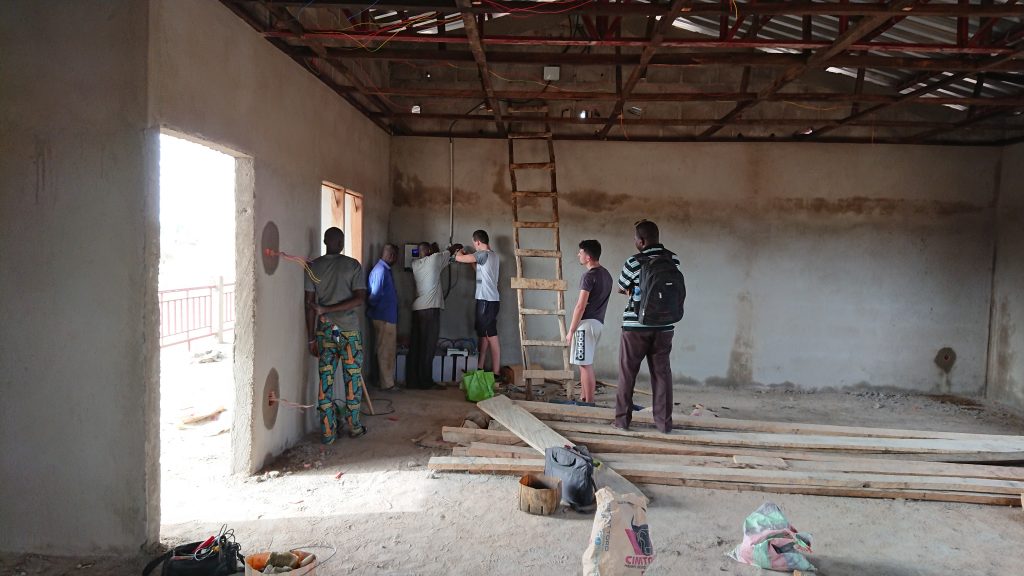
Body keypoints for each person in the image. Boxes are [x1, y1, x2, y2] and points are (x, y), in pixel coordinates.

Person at [613, 220, 682, 434]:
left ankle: (622, 421)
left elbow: (621, 286)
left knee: (627, 373)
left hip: (636, 326)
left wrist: (632, 290)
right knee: (662, 374)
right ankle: (664, 424)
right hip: (665, 326)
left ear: (641, 241)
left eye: (636, 239)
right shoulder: (673, 259)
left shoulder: (634, 262)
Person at [304, 227, 367, 444]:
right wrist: (331, 309)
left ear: (324, 242)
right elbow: (359, 299)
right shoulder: (352, 265)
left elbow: (309, 305)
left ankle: (328, 432)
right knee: (352, 381)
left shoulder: (313, 267)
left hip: (326, 333)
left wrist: (311, 337)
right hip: (348, 333)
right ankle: (354, 427)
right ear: (341, 243)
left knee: (326, 382)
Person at [407, 242, 461, 389]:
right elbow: (451, 249)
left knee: (416, 347)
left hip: (417, 309)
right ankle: (426, 382)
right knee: (428, 347)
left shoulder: (415, 264)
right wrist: (456, 246)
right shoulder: (435, 259)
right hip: (429, 310)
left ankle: (412, 381)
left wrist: (434, 250)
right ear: (430, 250)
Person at [566, 239, 613, 403]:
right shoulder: (606, 275)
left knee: (585, 365)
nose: (578, 255)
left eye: (580, 252)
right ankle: (584, 397)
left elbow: (580, 306)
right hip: (597, 323)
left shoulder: (589, 276)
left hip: (585, 325)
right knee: (584, 363)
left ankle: (589, 403)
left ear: (588, 257)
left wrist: (571, 330)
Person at [455, 230, 501, 375]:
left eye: (474, 243)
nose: (474, 246)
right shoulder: (493, 255)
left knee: (491, 335)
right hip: (489, 300)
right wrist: (471, 262)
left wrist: (459, 250)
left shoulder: (482, 254)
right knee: (484, 335)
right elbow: (480, 271)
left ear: (478, 242)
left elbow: (458, 258)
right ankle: (480, 367)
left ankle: (496, 372)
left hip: (487, 300)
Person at [367, 244, 398, 391]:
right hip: (384, 317)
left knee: (384, 349)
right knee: (386, 352)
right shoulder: (381, 271)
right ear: (391, 256)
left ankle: (382, 380)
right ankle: (387, 384)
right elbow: (374, 295)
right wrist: (377, 309)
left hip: (386, 316)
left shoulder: (383, 270)